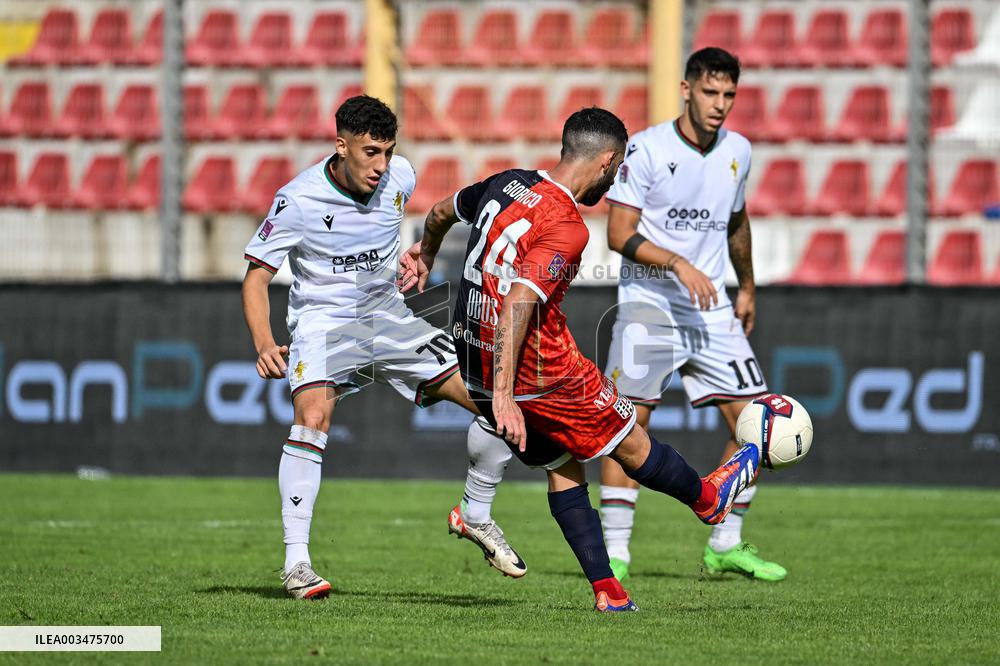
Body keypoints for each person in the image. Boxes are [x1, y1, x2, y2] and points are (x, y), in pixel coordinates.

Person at [399, 107, 760, 612]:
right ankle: (707, 499)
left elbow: (439, 212)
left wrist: (426, 253)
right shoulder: (568, 228)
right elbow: (520, 303)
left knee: (564, 465)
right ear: (607, 161)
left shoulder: (506, 183)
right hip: (541, 373)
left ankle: (608, 592)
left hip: (474, 357)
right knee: (632, 443)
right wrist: (506, 396)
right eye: (615, 172)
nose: (613, 183)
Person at [241, 95, 524, 600]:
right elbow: (256, 278)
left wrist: (418, 258)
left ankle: (475, 514)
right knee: (312, 418)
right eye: (370, 152)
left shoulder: (401, 177)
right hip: (324, 324)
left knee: (495, 403)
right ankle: (297, 564)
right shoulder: (298, 199)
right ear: (341, 145)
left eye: (388, 152)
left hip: (388, 317)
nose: (382, 165)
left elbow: (411, 230)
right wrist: (264, 341)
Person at [599, 47, 784, 583]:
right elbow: (618, 234)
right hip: (649, 304)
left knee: (761, 425)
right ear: (686, 89)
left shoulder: (738, 151)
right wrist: (678, 263)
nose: (719, 104)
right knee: (626, 426)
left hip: (711, 307)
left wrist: (746, 285)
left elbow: (736, 221)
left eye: (729, 94)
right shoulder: (648, 150)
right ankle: (616, 553)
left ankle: (725, 542)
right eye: (710, 92)